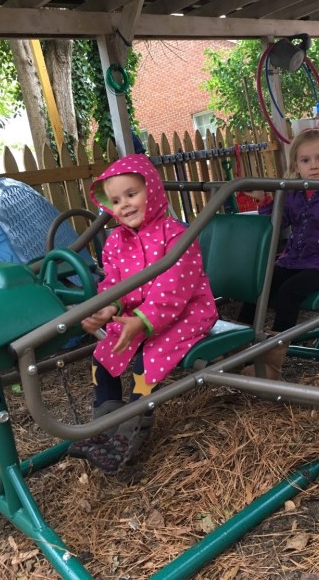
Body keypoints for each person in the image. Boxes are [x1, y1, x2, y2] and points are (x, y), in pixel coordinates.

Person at [68, 154, 218, 473]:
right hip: (138, 315)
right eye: (116, 200)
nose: (124, 205)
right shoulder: (115, 241)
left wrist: (142, 321)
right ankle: (104, 427)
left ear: (153, 190)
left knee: (146, 361)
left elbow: (173, 288)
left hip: (188, 313)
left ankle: (129, 434)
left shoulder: (176, 234)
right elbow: (114, 282)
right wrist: (107, 306)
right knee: (103, 356)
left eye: (132, 194)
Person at [241, 128, 319, 379]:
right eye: (305, 160)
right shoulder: (295, 192)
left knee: (289, 292)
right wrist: (265, 201)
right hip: (295, 260)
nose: (314, 165)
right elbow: (277, 224)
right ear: (296, 166)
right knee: (258, 285)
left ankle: (272, 364)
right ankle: (238, 350)